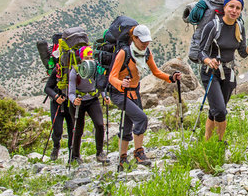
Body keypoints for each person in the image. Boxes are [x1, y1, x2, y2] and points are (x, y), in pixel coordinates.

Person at [109, 24, 181, 172]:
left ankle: (123, 158)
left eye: (147, 41)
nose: (145, 44)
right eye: (142, 41)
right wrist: (121, 83)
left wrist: (171, 78)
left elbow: (156, 72)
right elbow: (111, 77)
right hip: (119, 93)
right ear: (134, 38)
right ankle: (138, 152)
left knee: (127, 124)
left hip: (134, 92)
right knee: (141, 118)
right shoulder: (124, 53)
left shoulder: (146, 53)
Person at [199, 0, 248, 141]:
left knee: (216, 109)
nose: (234, 10)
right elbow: (200, 51)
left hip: (228, 73)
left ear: (241, 11)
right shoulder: (213, 26)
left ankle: (207, 142)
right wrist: (208, 60)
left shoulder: (239, 26)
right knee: (220, 110)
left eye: (238, 8)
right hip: (211, 73)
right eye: (231, 7)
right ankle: (220, 143)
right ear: (225, 8)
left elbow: (243, 53)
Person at [68, 46, 110, 165]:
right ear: (81, 59)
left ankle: (100, 152)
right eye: (87, 58)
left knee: (100, 124)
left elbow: (100, 84)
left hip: (92, 99)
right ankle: (75, 155)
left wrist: (105, 95)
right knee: (78, 130)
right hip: (79, 102)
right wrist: (73, 100)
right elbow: (70, 92)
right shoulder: (74, 72)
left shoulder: (95, 69)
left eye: (91, 58)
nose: (89, 60)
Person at [44, 67, 74, 161]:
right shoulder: (57, 70)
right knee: (57, 130)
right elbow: (47, 88)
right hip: (57, 104)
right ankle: (56, 146)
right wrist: (56, 96)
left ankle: (72, 154)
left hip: (71, 104)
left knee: (72, 131)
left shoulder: (78, 71)